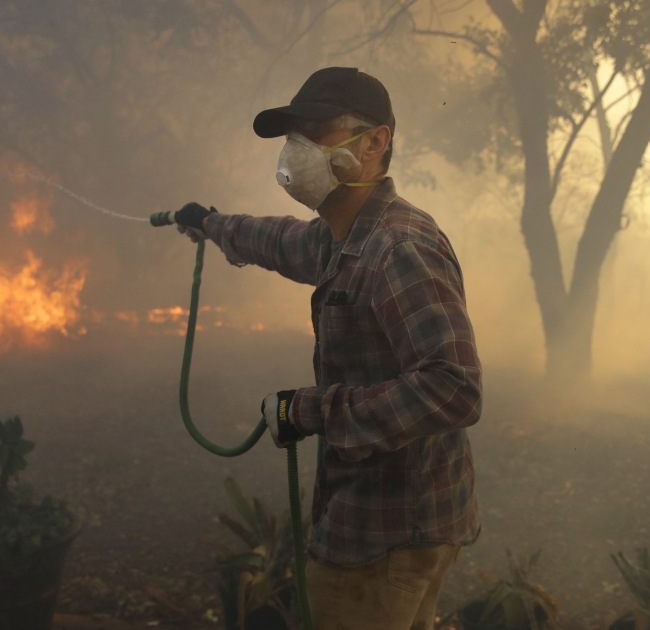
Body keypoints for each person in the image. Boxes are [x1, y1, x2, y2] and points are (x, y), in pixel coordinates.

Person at [173, 66, 481, 630]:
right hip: (396, 523)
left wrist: (307, 409)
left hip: (384, 534)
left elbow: (454, 388)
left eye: (316, 131)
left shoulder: (397, 246)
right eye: (294, 135)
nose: (298, 150)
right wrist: (212, 225)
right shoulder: (345, 235)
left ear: (375, 142)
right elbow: (282, 241)